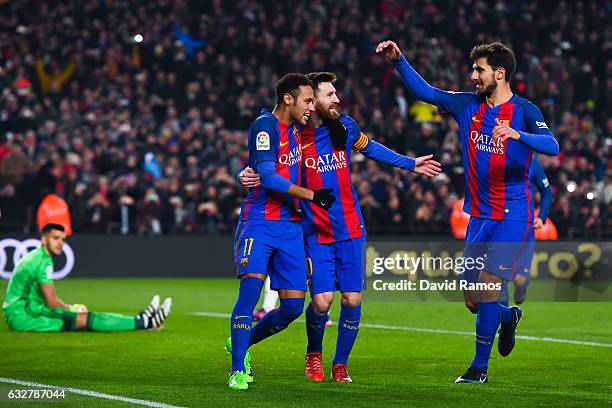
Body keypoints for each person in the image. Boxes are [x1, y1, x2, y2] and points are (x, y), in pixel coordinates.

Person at [240, 71, 440, 382]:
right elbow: (266, 156)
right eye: (328, 95)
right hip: (314, 231)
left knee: (352, 299)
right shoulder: (294, 132)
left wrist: (410, 163)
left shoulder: (344, 127)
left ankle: (340, 364)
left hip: (350, 228)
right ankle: (313, 354)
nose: (337, 99)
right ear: (313, 100)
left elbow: (371, 147)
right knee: (321, 302)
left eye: (336, 94)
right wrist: (246, 171)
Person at [377, 40, 558, 383]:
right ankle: (508, 317)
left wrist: (518, 135)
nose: (472, 75)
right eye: (473, 69)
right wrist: (399, 62)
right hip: (478, 217)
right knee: (474, 301)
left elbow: (552, 145)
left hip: (512, 216)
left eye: (479, 69)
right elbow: (426, 92)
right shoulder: (465, 106)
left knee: (489, 287)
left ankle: (479, 368)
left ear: (499, 73)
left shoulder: (525, 111)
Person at [226, 73, 336, 390]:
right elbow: (270, 179)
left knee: (290, 308)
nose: (311, 107)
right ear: (288, 98)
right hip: (259, 222)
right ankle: (237, 370)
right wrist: (313, 196)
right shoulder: (265, 126)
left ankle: (240, 344)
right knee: (249, 295)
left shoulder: (301, 130)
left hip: (290, 227)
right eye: (307, 100)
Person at [2, 223, 171, 332]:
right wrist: (71, 308)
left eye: (63, 239)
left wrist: (69, 308)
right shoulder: (42, 261)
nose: (60, 243)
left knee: (85, 317)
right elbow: (51, 302)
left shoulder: (37, 256)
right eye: (56, 238)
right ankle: (148, 323)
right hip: (24, 316)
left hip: (23, 311)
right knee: (86, 319)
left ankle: (143, 318)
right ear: (44, 239)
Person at [499, 156, 553, 305]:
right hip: (499, 224)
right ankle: (505, 321)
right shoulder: (493, 157)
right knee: (497, 277)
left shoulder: (532, 162)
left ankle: (521, 286)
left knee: (521, 279)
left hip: (524, 226)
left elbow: (546, 191)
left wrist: (542, 216)